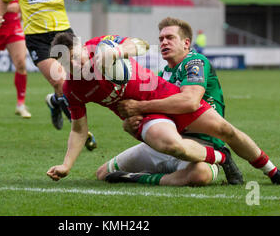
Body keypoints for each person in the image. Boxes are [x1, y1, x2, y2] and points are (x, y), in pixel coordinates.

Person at [46, 32, 280, 186]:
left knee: (225, 129)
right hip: (144, 116)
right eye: (69, 64)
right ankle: (221, 158)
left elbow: (140, 44)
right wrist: (66, 165)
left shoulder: (101, 45)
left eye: (77, 57)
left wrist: (119, 50)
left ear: (81, 47)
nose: (76, 65)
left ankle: (274, 172)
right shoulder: (72, 88)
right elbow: (79, 130)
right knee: (171, 144)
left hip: (165, 96)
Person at [97, 17, 243, 186]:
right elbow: (151, 122)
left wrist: (140, 107)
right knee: (103, 173)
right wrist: (130, 126)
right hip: (165, 145)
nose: (164, 43)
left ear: (186, 43)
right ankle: (160, 175)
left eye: (170, 38)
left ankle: (135, 177)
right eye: (161, 39)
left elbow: (189, 102)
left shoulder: (196, 63)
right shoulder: (159, 77)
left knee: (200, 175)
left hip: (201, 148)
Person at [0, 0, 89, 131]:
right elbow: (3, 0)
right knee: (60, 81)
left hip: (64, 33)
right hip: (37, 38)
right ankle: (81, 131)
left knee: (83, 75)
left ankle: (54, 102)